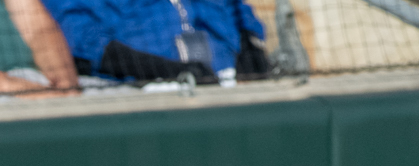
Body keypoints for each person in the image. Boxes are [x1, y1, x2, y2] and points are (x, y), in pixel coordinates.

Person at [42, 0, 266, 86]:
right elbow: (84, 43)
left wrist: (251, 49)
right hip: (144, 93)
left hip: (231, 82)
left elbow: (238, 10)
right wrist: (169, 71)